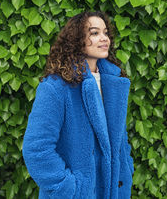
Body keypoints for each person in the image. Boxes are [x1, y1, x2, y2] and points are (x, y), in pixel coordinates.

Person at [22, 11, 134, 198]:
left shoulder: (114, 82)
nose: (104, 38)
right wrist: (70, 189)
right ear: (76, 39)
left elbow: (120, 139)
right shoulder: (56, 87)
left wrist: (126, 167)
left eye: (105, 33)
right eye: (94, 33)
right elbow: (36, 148)